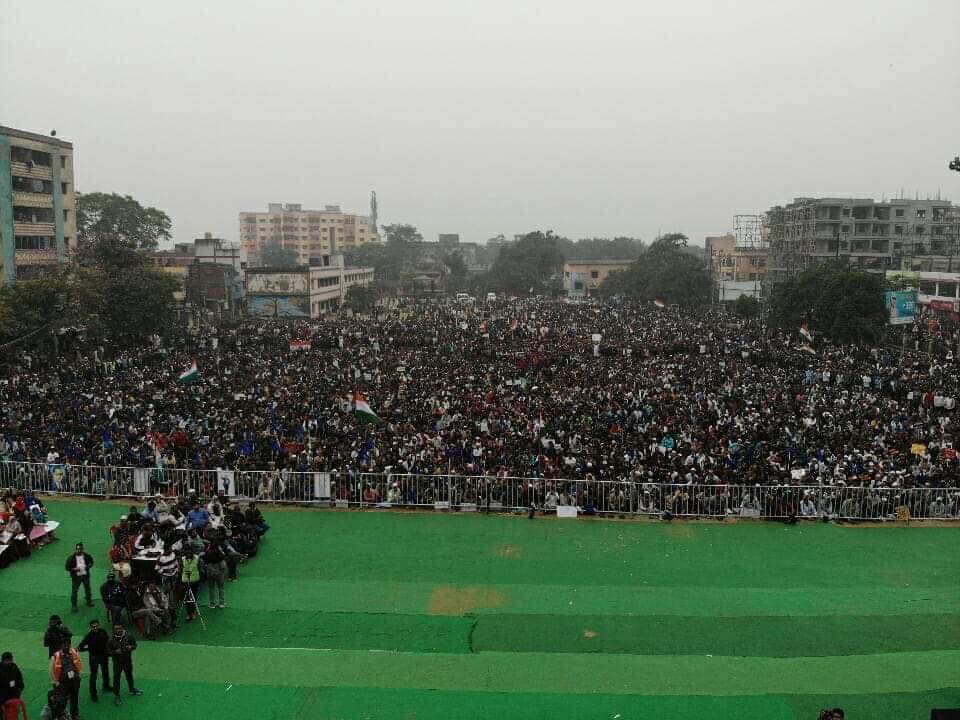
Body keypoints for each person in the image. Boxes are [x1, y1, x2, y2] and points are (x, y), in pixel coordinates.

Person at [107, 624, 142, 705]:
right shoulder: (110, 640)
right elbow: (107, 652)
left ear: (122, 628)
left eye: (119, 628)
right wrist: (115, 652)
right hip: (117, 662)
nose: (118, 630)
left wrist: (131, 647)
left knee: (129, 675)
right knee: (116, 678)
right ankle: (117, 696)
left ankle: (132, 689)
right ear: (114, 630)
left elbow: (135, 645)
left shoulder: (129, 636)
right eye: (116, 629)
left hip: (127, 660)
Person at [77, 619, 110, 703]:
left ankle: (106, 686)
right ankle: (93, 694)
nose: (95, 628)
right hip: (94, 657)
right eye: (93, 627)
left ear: (99, 625)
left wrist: (108, 651)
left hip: (103, 656)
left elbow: (107, 641)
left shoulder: (103, 632)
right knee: (93, 676)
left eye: (96, 626)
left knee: (105, 671)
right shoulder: (88, 636)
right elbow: (80, 648)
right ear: (91, 628)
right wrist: (89, 649)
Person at [49, 636, 83, 720]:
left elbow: (79, 663)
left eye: (68, 644)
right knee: (61, 700)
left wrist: (79, 675)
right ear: (61, 645)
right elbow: (51, 669)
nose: (66, 646)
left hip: (74, 681)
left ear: (70, 644)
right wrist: (55, 681)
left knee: (75, 699)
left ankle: (75, 715)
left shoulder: (75, 652)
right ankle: (60, 716)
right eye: (64, 644)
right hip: (62, 683)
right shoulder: (56, 655)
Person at [65, 542, 95, 611]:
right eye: (77, 549)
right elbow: (67, 567)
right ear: (75, 549)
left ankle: (89, 601)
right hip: (76, 577)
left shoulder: (87, 556)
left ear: (82, 549)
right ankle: (74, 605)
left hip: (85, 575)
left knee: (87, 589)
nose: (79, 550)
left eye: (80, 549)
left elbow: (92, 562)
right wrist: (74, 569)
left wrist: (89, 566)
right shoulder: (71, 558)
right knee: (74, 591)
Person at [203, 540, 227, 609]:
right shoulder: (220, 553)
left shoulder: (207, 553)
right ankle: (221, 603)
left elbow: (205, 563)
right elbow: (223, 563)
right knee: (221, 588)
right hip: (219, 570)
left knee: (211, 588)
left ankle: (212, 604)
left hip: (210, 571)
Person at [181, 545, 201, 622]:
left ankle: (193, 612)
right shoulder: (182, 559)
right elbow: (180, 569)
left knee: (193, 597)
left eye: (190, 551)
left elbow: (200, 567)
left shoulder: (197, 558)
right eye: (187, 551)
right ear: (185, 552)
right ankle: (188, 613)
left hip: (195, 581)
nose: (188, 553)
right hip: (185, 581)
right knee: (186, 598)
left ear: (192, 551)